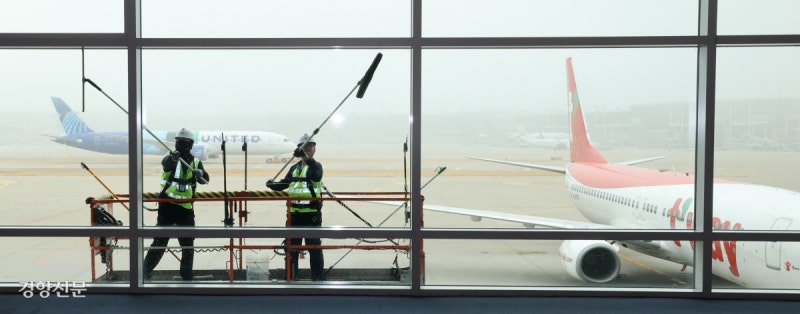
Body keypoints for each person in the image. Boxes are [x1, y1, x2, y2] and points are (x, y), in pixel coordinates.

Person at [143, 128, 210, 281]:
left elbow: (206, 180)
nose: (181, 144)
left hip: (185, 209)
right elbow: (166, 164)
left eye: (185, 142)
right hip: (167, 206)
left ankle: (186, 275)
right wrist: (173, 158)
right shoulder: (171, 159)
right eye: (179, 142)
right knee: (159, 242)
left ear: (191, 144)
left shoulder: (196, 162)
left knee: (187, 245)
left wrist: (200, 174)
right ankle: (144, 272)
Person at [266, 133, 324, 281]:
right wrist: (274, 185)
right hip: (294, 215)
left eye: (311, 146)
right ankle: (291, 278)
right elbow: (285, 183)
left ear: (314, 150)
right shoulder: (293, 169)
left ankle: (317, 280)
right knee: (292, 249)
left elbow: (317, 175)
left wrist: (305, 157)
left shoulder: (316, 167)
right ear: (299, 149)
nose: (308, 149)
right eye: (305, 147)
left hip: (311, 216)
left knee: (314, 249)